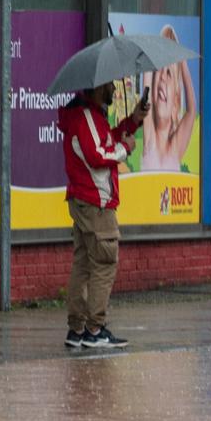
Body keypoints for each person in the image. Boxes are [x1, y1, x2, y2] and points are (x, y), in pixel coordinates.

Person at [60, 81, 152, 350]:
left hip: (86, 200)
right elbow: (98, 154)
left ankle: (77, 329)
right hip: (96, 201)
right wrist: (125, 149)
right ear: (98, 87)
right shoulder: (86, 116)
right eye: (110, 85)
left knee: (84, 264)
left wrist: (133, 121)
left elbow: (106, 140)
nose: (114, 89)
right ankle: (94, 329)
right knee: (103, 263)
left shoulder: (88, 114)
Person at [136, 24, 198, 173]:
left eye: (169, 73)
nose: (163, 76)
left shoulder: (176, 146)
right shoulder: (150, 138)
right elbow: (147, 79)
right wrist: (159, 48)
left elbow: (191, 111)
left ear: (176, 104)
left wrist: (181, 60)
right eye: (159, 70)